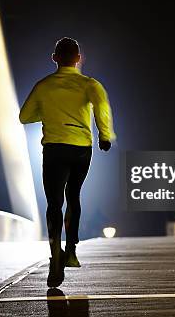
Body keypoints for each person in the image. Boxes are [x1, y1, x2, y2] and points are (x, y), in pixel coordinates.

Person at [19, 37, 115, 287]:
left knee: (54, 203)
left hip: (54, 149)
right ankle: (71, 249)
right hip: (82, 149)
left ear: (54, 59)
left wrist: (49, 111)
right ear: (79, 59)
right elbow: (101, 107)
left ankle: (55, 255)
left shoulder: (44, 86)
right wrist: (104, 135)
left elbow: (24, 116)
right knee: (74, 197)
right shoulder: (90, 85)